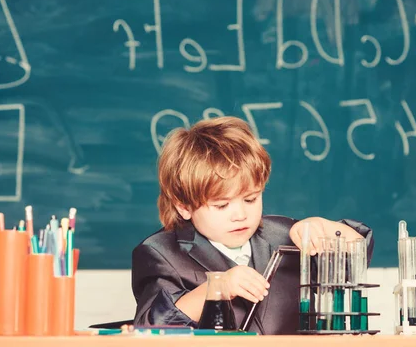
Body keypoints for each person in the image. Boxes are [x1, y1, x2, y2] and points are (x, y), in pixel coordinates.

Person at [132, 116, 373, 334]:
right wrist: (217, 287)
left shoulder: (284, 234)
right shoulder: (160, 252)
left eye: (250, 199)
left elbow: (356, 256)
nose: (240, 214)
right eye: (221, 205)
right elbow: (150, 327)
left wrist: (327, 228)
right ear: (183, 206)